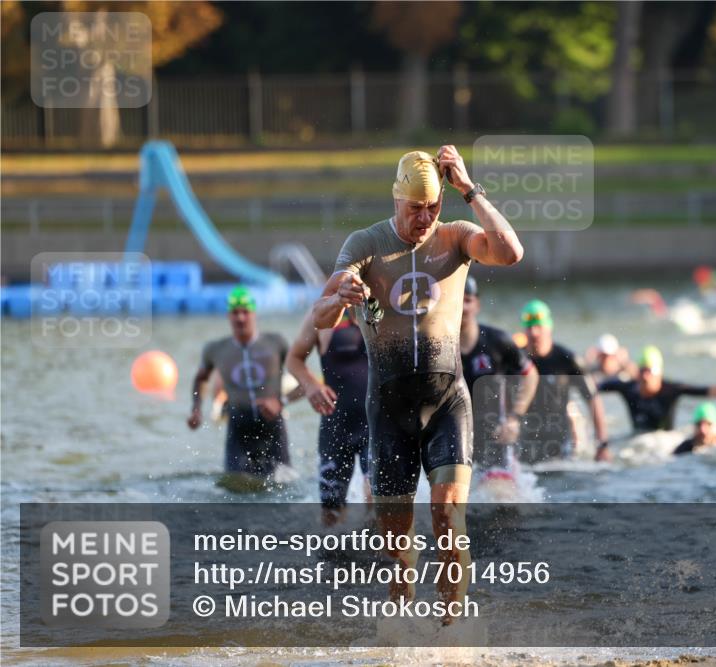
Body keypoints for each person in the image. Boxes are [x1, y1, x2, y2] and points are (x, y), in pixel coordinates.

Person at [312, 146, 523, 620]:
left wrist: (469, 190)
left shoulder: (456, 236)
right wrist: (341, 295)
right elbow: (319, 314)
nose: (425, 217)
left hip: (446, 400)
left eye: (433, 206)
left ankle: (453, 628)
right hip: (387, 410)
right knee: (398, 547)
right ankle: (403, 627)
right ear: (396, 200)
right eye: (415, 208)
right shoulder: (364, 244)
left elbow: (511, 252)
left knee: (449, 519)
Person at [188, 286, 292, 480]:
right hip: (238, 432)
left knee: (284, 488)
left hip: (273, 429)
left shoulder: (276, 343)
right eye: (235, 312)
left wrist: (281, 402)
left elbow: (305, 380)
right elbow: (200, 378)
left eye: (245, 312)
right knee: (236, 489)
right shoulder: (216, 349)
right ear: (229, 316)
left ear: (254, 314)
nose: (241, 318)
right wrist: (196, 408)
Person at [286, 304, 370, 525]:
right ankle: (335, 557)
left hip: (377, 423)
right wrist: (312, 385)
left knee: (377, 500)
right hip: (336, 424)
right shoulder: (324, 312)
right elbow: (294, 359)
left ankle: (380, 555)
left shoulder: (386, 305)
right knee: (331, 512)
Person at [599, 344, 716, 435]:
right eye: (642, 371)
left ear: (659, 373)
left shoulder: (671, 389)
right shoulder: (628, 388)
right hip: (636, 440)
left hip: (662, 443)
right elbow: (589, 389)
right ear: (637, 373)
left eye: (650, 371)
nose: (646, 376)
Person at [460, 275, 539, 470]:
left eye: (468, 301)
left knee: (498, 496)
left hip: (494, 440)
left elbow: (530, 374)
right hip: (453, 439)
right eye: (457, 301)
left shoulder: (497, 341)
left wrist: (514, 418)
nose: (463, 308)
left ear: (477, 304)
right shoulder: (436, 345)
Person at [519, 299, 611, 463]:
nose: (534, 332)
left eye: (539, 326)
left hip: (561, 442)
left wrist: (602, 445)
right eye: (529, 327)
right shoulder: (515, 361)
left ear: (549, 327)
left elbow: (593, 399)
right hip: (525, 441)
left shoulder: (567, 359)